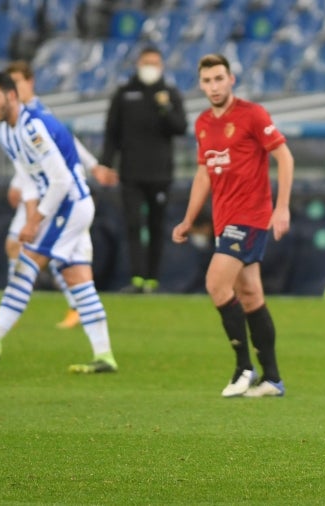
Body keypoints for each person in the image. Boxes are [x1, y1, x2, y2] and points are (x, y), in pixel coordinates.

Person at [0, 72, 118, 373]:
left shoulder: (33, 127)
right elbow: (29, 180)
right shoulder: (5, 133)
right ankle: (105, 356)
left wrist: (35, 221)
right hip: (61, 207)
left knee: (25, 262)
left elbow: (62, 179)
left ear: (12, 96)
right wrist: (31, 215)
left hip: (70, 205)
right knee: (78, 280)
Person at [170, 53, 293, 398]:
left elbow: (284, 156)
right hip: (224, 220)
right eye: (207, 81)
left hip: (250, 217)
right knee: (250, 294)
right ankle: (272, 379)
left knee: (215, 284)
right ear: (201, 84)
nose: (213, 86)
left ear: (231, 79)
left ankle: (243, 368)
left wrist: (281, 208)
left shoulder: (252, 114)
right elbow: (204, 173)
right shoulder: (203, 123)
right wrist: (189, 219)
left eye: (219, 79)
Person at [0, 60, 118, 329]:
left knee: (50, 251)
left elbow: (67, 143)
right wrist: (18, 184)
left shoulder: (37, 114)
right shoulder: (11, 120)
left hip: (57, 193)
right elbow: (24, 160)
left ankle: (43, 305)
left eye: (17, 82)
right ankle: (16, 305)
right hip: (37, 190)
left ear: (28, 83)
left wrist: (92, 166)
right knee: (20, 245)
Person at [100, 46, 188, 294]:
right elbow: (112, 133)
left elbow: (180, 127)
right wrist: (106, 164)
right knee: (133, 225)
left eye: (154, 62)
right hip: (130, 172)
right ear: (138, 63)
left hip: (160, 173)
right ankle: (137, 278)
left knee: (158, 226)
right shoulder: (124, 93)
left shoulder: (169, 94)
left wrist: (165, 108)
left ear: (161, 66)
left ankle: (153, 279)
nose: (150, 66)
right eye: (146, 61)